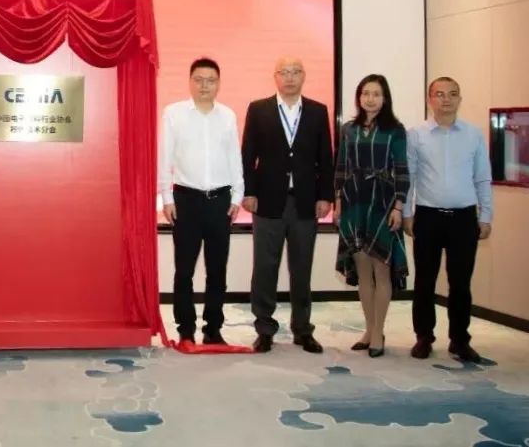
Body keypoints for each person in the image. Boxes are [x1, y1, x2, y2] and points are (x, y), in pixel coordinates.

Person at [242, 58, 334, 354]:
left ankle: (302, 329)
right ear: (275, 77)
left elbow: (326, 158)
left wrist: (325, 196)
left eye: (295, 72)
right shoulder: (259, 109)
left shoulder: (318, 111)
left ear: (303, 76)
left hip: (305, 203)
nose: (290, 78)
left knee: (302, 268)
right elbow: (248, 155)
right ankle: (264, 329)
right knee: (265, 267)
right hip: (268, 201)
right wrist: (249, 192)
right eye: (284, 72)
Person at [404, 77, 493, 363]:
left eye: (453, 94)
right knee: (424, 281)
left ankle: (459, 339)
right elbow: (410, 178)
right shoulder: (416, 134)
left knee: (461, 283)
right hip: (428, 216)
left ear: (459, 99)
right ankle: (424, 337)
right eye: (440, 94)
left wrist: (486, 215)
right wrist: (406, 213)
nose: (446, 100)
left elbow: (482, 177)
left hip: (464, 218)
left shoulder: (473, 134)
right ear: (429, 99)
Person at [159, 57, 243, 345]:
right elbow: (165, 158)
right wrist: (166, 197)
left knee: (217, 270)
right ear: (190, 81)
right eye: (199, 79)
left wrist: (238, 195)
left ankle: (213, 329)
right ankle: (185, 329)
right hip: (186, 200)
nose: (204, 85)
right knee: (184, 270)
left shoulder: (227, 116)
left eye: (211, 80)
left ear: (218, 83)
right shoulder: (174, 113)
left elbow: (234, 158)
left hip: (220, 201)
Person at [334, 74, 409, 358]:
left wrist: (398, 207)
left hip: (383, 204)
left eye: (376, 94)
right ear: (359, 97)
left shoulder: (396, 131)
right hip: (353, 202)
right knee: (363, 272)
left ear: (385, 98)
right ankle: (369, 329)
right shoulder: (349, 129)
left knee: (382, 270)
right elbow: (341, 167)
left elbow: (402, 170)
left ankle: (379, 331)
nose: (370, 99)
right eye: (365, 93)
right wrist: (338, 202)